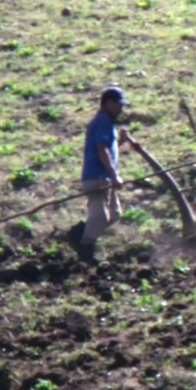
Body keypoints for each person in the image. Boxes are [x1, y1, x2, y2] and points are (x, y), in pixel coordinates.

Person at [77, 86, 140, 262]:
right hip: (97, 178)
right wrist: (113, 175)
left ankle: (80, 233)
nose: (121, 109)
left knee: (114, 215)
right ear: (108, 103)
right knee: (100, 216)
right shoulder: (103, 121)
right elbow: (102, 150)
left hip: (104, 178)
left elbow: (108, 150)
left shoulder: (107, 123)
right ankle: (85, 251)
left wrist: (121, 141)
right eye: (118, 105)